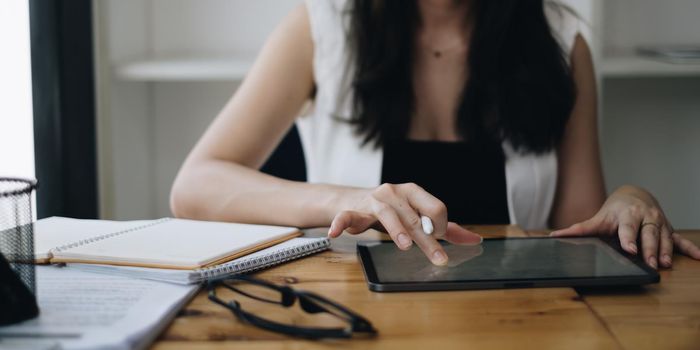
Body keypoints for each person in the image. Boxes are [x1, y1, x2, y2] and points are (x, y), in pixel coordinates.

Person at [170, 0, 700, 267]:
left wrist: (627, 199)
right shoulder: (322, 25)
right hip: (352, 315)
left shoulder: (563, 42)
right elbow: (194, 186)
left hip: (520, 322)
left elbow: (575, 235)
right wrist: (352, 199)